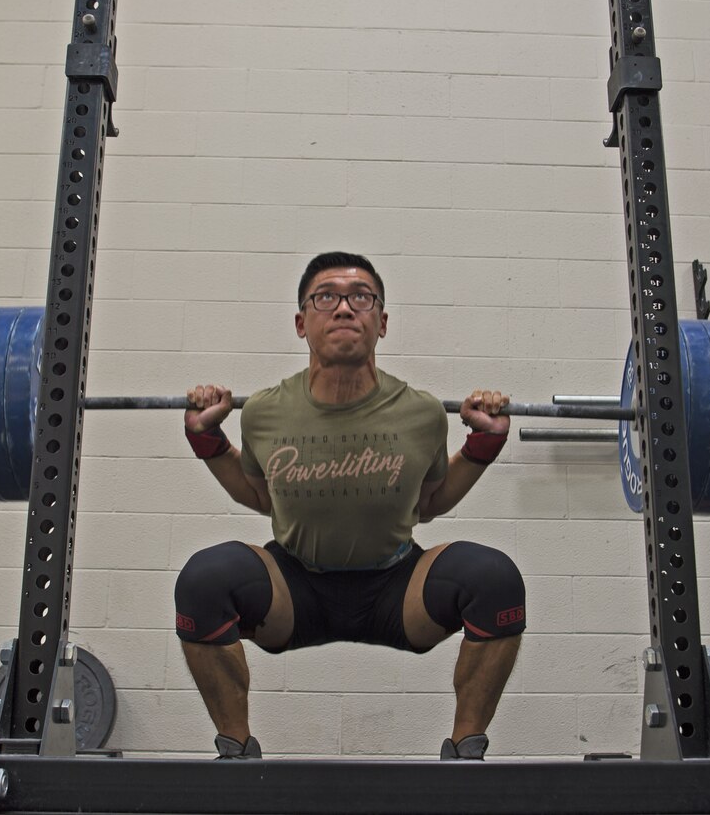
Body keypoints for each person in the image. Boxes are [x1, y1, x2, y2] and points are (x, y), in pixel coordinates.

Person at [177, 252, 526, 761]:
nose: (344, 308)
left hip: (396, 587)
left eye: (361, 297)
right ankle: (236, 751)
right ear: (301, 322)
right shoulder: (265, 413)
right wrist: (207, 441)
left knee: (495, 578)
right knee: (202, 579)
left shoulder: (422, 413)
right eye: (326, 297)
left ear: (382, 322)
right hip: (293, 587)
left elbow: (428, 504)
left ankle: (465, 753)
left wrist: (482, 448)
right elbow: (258, 495)